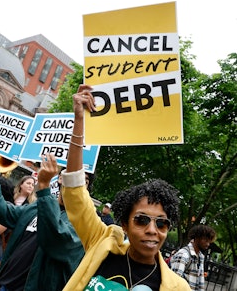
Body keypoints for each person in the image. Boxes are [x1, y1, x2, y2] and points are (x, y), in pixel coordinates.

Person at [60, 84, 191, 290]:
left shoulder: (178, 287)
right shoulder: (101, 242)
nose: (151, 230)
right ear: (124, 224)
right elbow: (75, 190)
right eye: (141, 220)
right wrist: (79, 122)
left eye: (161, 224)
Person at [0, 145, 84, 291]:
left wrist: (43, 187)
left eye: (83, 179)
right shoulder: (37, 206)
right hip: (6, 283)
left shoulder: (82, 222)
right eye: (70, 174)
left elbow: (56, 238)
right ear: (60, 178)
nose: (75, 180)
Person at [170, 225, 216, 290]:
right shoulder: (184, 254)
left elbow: (200, 283)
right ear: (196, 237)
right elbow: (173, 283)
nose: (208, 244)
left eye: (209, 241)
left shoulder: (200, 257)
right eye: (205, 240)